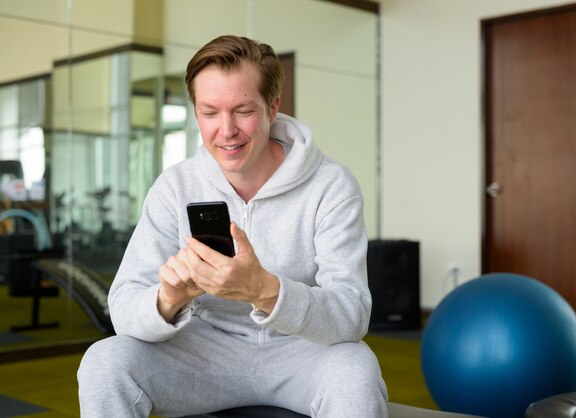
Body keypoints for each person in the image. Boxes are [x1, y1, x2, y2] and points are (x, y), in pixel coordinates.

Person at [77, 35, 388, 418]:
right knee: (105, 360)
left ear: (272, 108)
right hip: (203, 354)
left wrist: (267, 291)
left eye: (243, 111)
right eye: (210, 113)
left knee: (355, 370)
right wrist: (169, 299)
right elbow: (123, 306)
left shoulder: (331, 185)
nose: (226, 130)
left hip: (301, 353)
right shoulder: (175, 186)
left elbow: (351, 314)